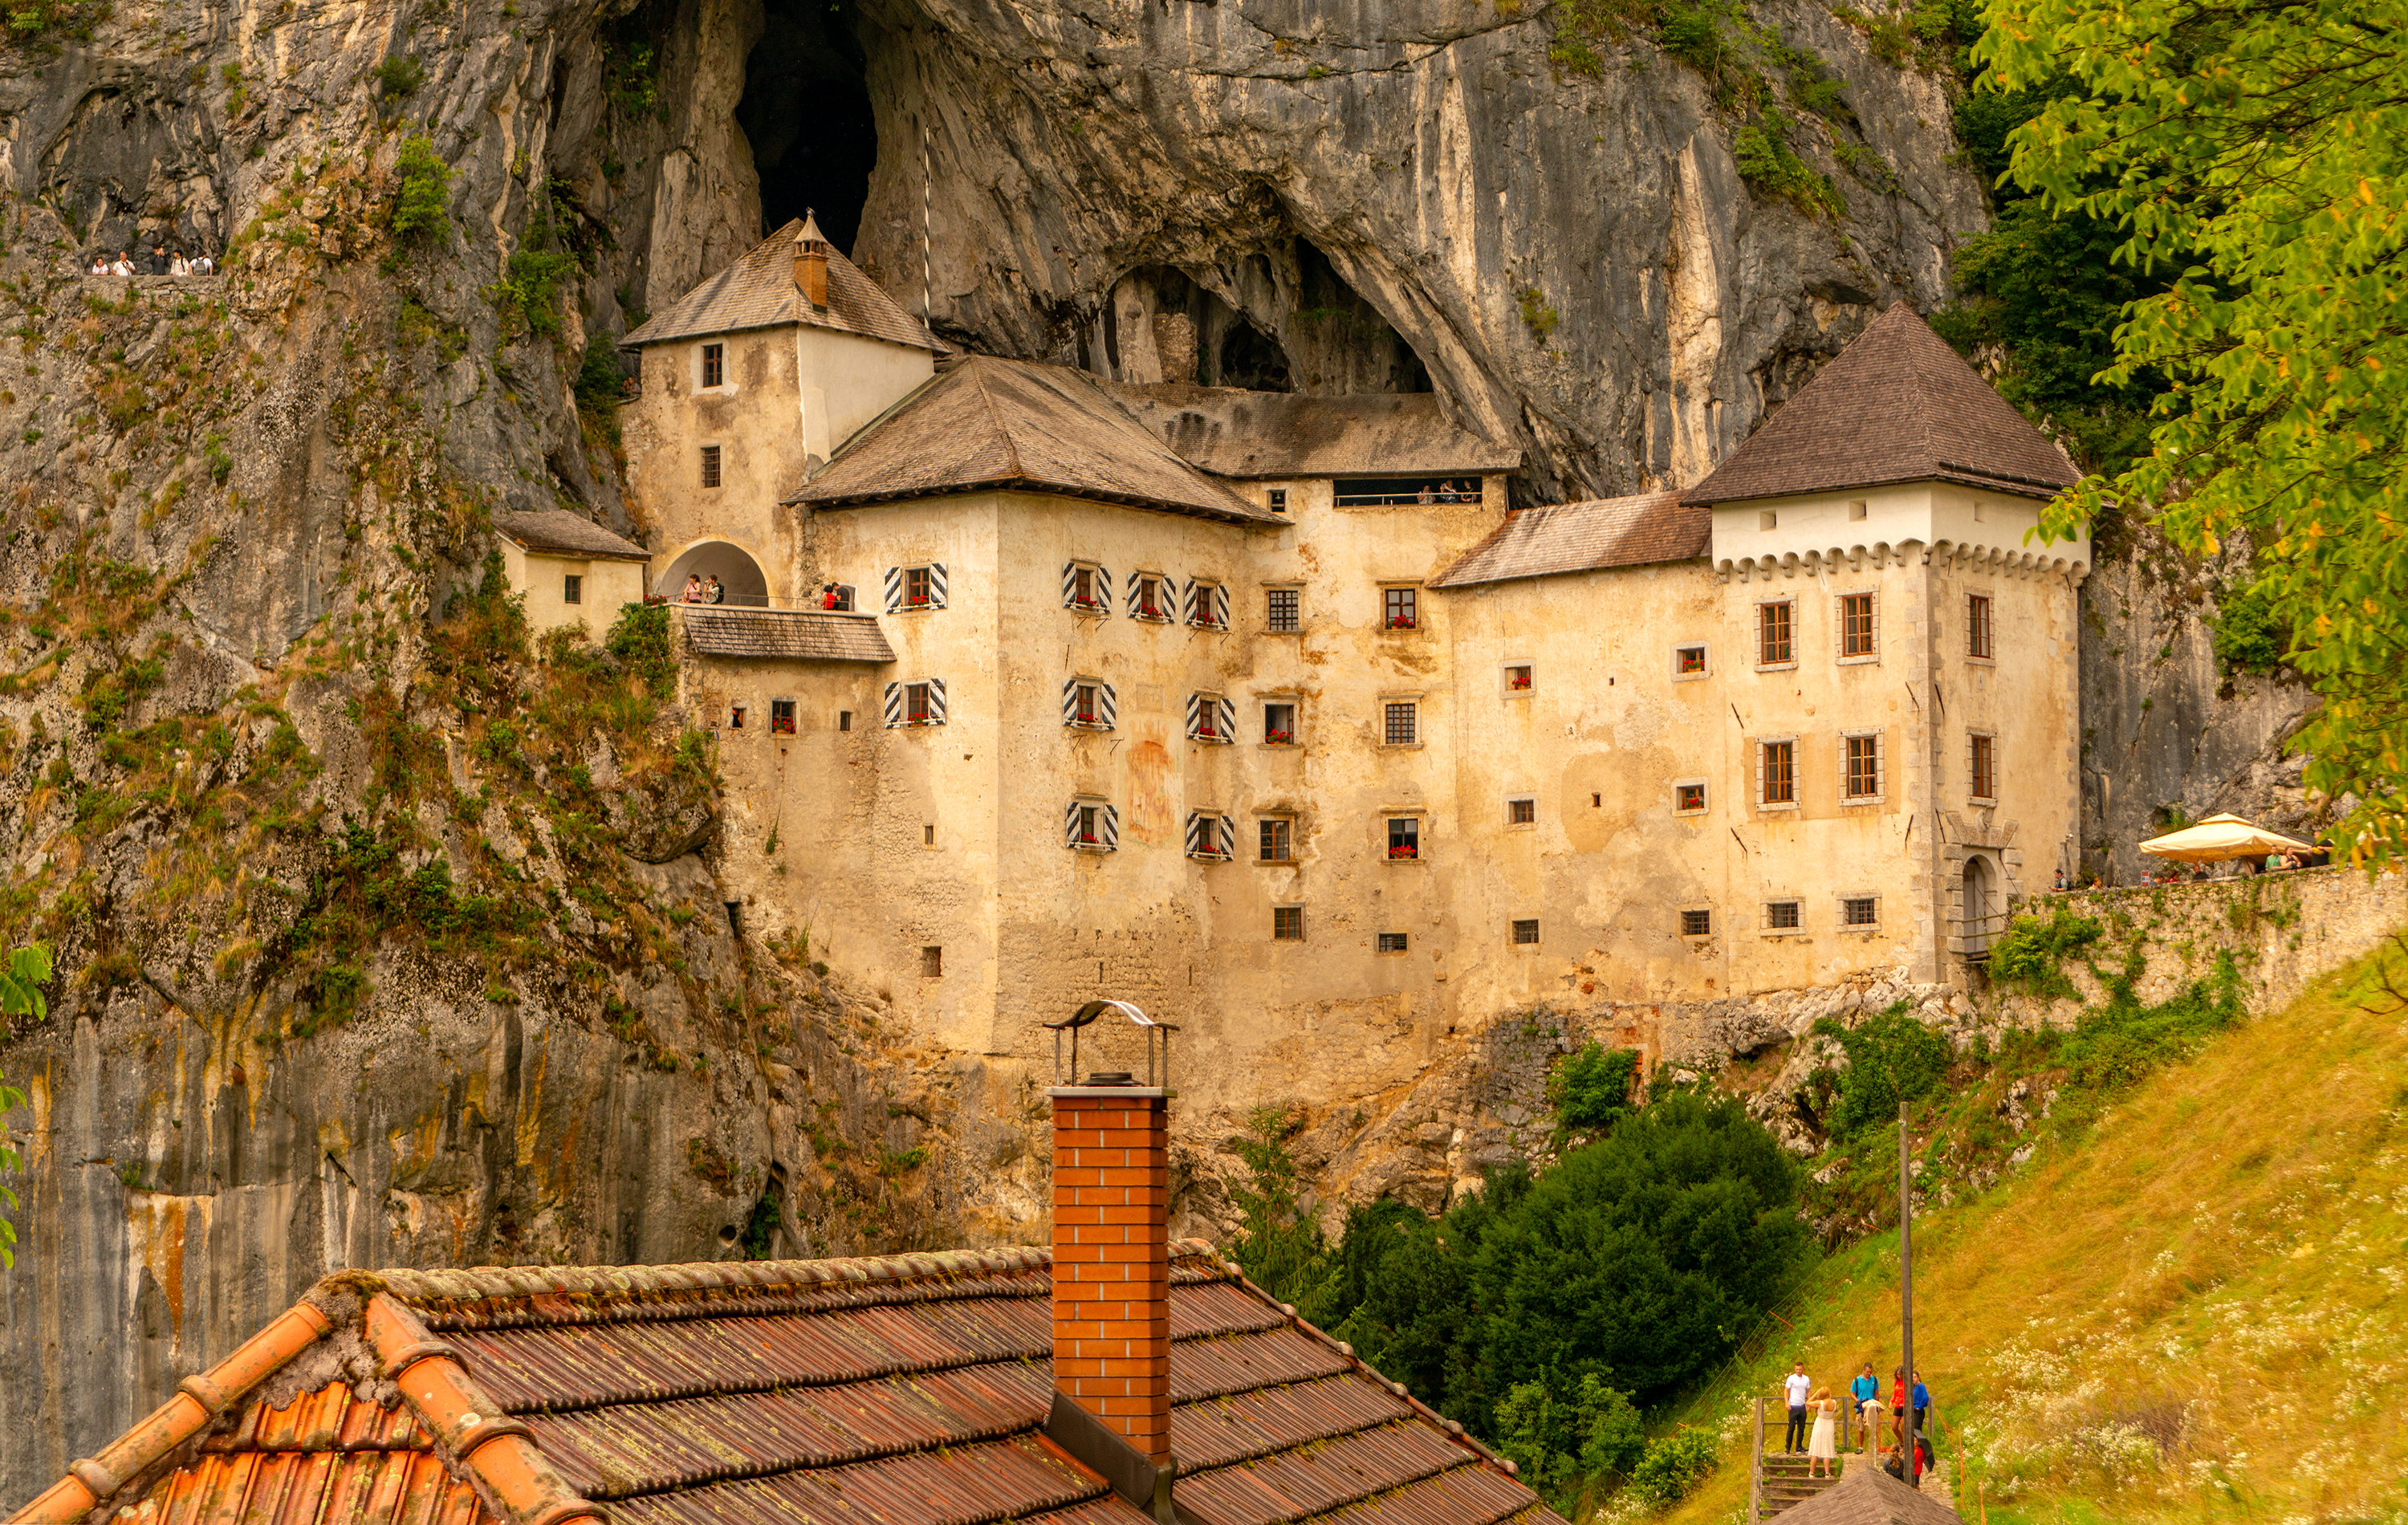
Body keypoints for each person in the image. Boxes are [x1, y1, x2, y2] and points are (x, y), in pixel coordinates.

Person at [1806, 1387, 1839, 1478]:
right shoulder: (1834, 1402)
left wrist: (1816, 1394)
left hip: (1820, 1423)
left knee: (1816, 1447)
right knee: (1827, 1448)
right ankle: (1827, 1473)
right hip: (1829, 1424)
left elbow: (1808, 1402)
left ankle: (1812, 1472)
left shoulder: (1820, 1403)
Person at [1849, 1363, 1881, 1450]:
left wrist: (1877, 1404)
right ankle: (1860, 1447)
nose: (1869, 1373)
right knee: (1861, 1428)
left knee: (1873, 1428)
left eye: (1870, 1372)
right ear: (1864, 1370)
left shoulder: (1874, 1379)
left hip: (1872, 1406)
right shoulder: (1857, 1380)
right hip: (1861, 1407)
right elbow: (1852, 1393)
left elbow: (1876, 1393)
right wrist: (1857, 1401)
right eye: (1867, 1372)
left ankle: (1874, 1447)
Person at [1782, 1364, 1812, 1454]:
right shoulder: (1791, 1378)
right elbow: (1786, 1390)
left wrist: (1809, 1403)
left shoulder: (1806, 1379)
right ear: (1795, 1369)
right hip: (1793, 1406)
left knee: (1801, 1427)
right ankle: (1788, 1447)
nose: (1798, 1371)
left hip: (1802, 1405)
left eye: (1800, 1369)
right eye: (1797, 1369)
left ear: (1803, 1369)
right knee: (1791, 1427)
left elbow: (1808, 1391)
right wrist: (1787, 1402)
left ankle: (1799, 1446)